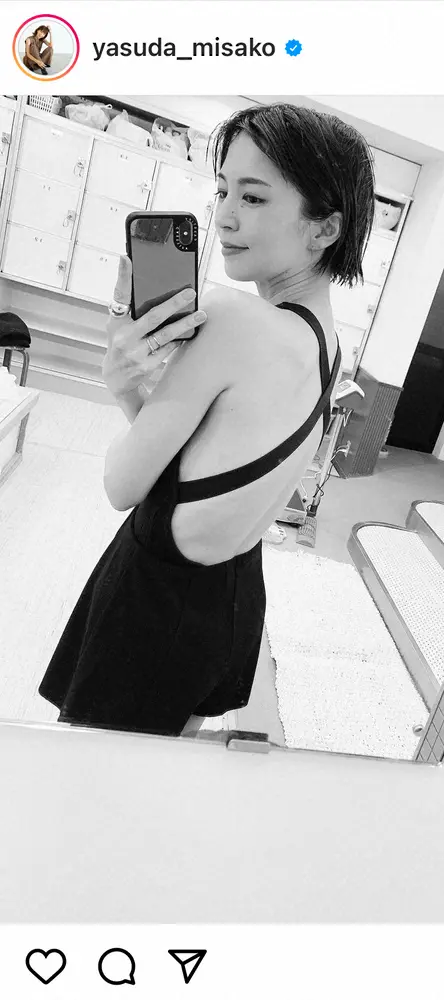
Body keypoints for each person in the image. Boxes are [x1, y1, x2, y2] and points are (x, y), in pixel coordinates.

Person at [38, 102, 376, 738]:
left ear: (325, 228)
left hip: (153, 606)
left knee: (86, 785)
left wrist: (119, 380)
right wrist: (138, 391)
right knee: (153, 782)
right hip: (230, 602)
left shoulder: (232, 319)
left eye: (253, 196)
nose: (223, 216)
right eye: (222, 191)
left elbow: (122, 484)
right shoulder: (329, 344)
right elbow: (194, 463)